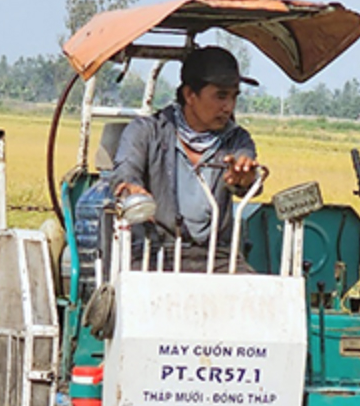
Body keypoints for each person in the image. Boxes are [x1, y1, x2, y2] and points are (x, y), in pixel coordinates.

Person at [107, 45, 261, 271]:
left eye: (233, 97)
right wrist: (131, 188)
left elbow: (245, 166)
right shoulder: (147, 132)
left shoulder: (237, 140)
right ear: (190, 95)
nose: (228, 107)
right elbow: (125, 171)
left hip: (217, 257)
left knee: (256, 290)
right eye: (220, 96)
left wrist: (245, 180)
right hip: (155, 253)